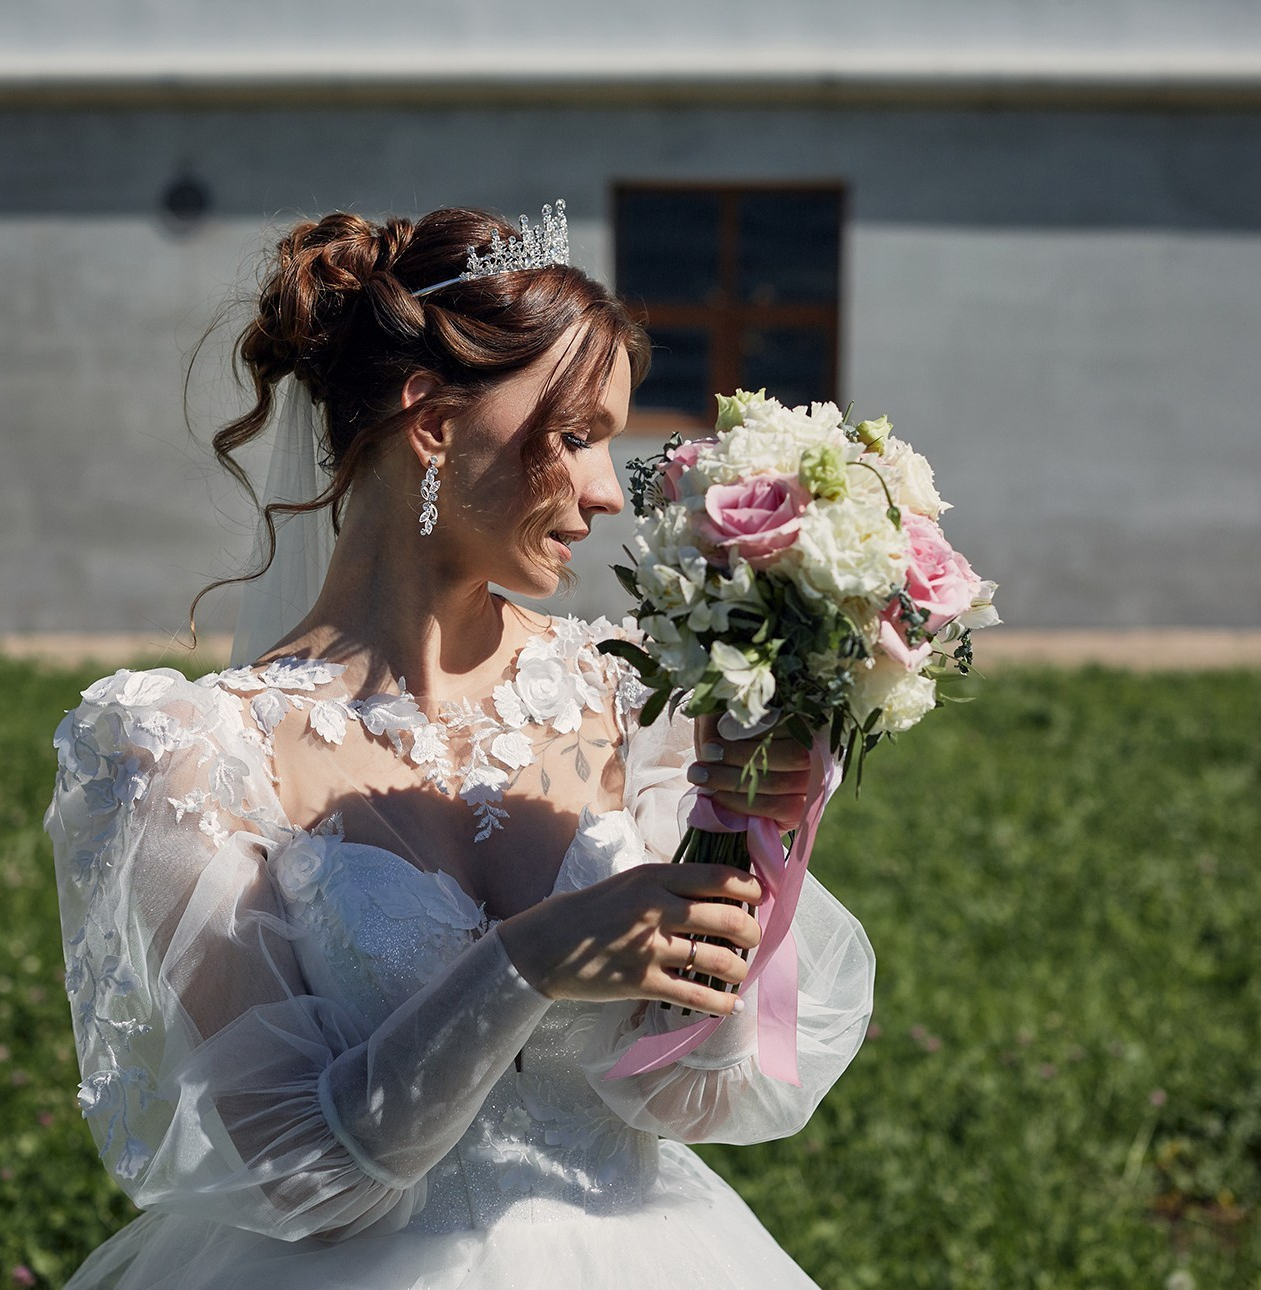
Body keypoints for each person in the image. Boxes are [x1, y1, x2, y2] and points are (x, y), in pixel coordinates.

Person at [44, 203, 876, 1289]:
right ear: (430, 421)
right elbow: (301, 1178)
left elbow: (691, 1095)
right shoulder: (189, 754)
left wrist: (756, 832)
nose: (606, 492)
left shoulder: (640, 690)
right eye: (574, 436)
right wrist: (526, 963)